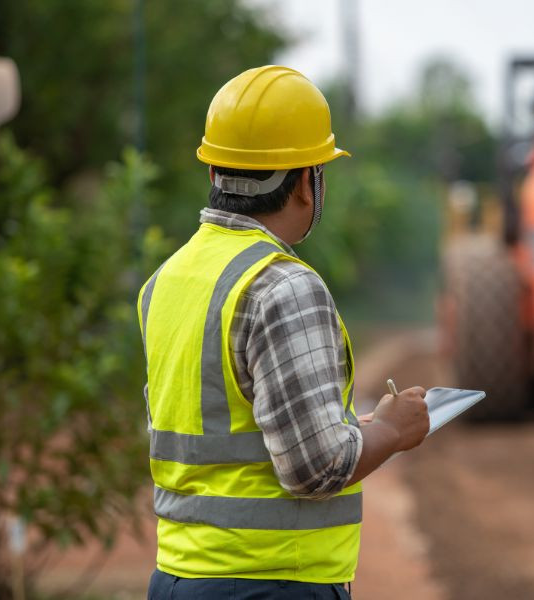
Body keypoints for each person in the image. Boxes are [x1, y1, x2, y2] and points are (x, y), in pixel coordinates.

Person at [139, 65, 430, 599]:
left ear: (215, 174)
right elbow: (316, 469)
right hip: (271, 582)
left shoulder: (167, 280)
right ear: (303, 183)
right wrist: (391, 431)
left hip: (176, 579)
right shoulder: (283, 286)